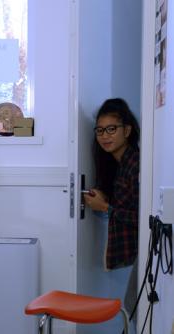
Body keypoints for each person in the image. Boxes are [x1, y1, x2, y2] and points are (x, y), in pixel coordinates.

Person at [83, 98, 140, 317]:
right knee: (134, 303)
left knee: (134, 303)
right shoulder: (118, 163)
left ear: (127, 130)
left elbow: (142, 216)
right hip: (141, 248)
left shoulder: (136, 164)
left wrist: (106, 208)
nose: (104, 136)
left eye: (111, 129)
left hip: (149, 245)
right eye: (100, 130)